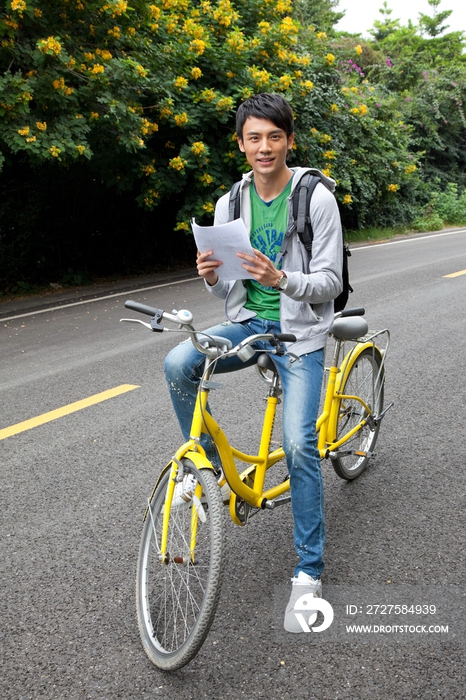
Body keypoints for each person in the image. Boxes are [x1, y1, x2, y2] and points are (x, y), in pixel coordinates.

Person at [164, 92, 343, 632]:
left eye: (274, 136)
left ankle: (308, 571)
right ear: (240, 145)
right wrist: (211, 274)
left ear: (289, 140)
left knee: (299, 445)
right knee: (179, 362)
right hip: (250, 324)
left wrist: (281, 278)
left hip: (300, 333)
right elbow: (228, 292)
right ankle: (209, 476)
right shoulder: (229, 204)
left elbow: (331, 283)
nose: (264, 147)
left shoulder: (315, 199)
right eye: (253, 138)